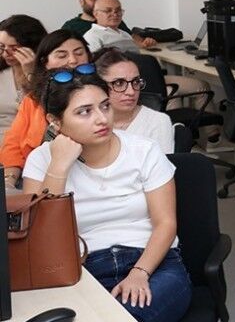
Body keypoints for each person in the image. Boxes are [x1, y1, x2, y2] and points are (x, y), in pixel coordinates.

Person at [22, 67, 192, 322]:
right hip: (82, 268)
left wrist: (139, 273)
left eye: (105, 106)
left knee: (128, 314)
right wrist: (58, 167)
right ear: (55, 121)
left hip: (153, 263)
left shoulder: (144, 151)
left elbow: (165, 224)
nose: (102, 119)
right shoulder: (41, 160)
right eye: (84, 112)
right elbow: (41, 239)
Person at [2, 30, 91, 187]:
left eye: (79, 53)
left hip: (85, 177)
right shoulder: (33, 99)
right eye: (62, 55)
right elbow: (13, 143)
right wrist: (9, 179)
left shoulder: (100, 94)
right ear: (45, 62)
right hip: (34, 176)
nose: (72, 61)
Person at [94, 48, 174, 154]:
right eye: (119, 83)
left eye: (136, 82)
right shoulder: (88, 122)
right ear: (98, 86)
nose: (131, 92)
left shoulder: (157, 122)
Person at [0, 14, 47, 136]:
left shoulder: (48, 71)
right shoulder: (3, 72)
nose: (5, 54)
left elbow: (45, 109)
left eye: (14, 48)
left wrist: (31, 73)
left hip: (34, 139)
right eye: (2, 46)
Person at [85, 0, 155, 52]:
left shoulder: (125, 34)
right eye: (108, 11)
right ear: (96, 14)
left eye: (118, 10)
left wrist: (143, 45)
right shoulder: (92, 36)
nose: (115, 14)